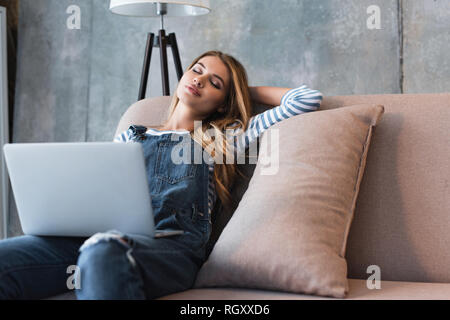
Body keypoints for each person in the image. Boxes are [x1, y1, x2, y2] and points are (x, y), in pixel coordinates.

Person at [0, 50, 323, 300]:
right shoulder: (133, 134)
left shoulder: (225, 136)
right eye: (197, 70)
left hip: (171, 249)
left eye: (215, 82)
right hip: (96, 237)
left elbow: (306, 99)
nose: (199, 80)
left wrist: (240, 92)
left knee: (103, 250)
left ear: (224, 102)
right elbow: (102, 191)